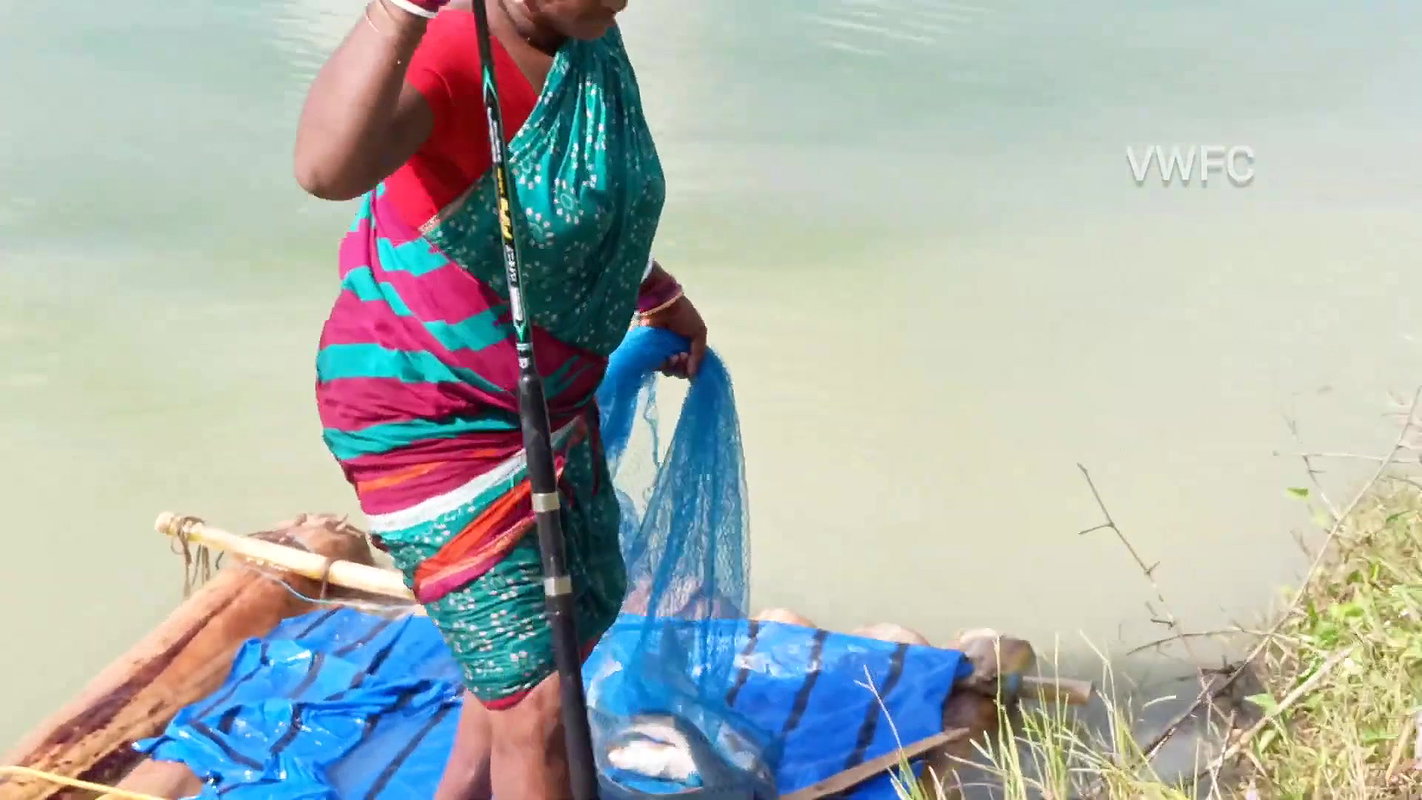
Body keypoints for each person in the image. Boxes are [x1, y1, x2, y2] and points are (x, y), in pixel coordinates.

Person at [293, 0, 708, 797]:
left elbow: (580, 201)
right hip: (428, 419)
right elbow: (325, 169)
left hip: (546, 408)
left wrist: (655, 295)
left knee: (546, 656)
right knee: (541, 709)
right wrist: (398, 12)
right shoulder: (451, 50)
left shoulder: (583, 36)